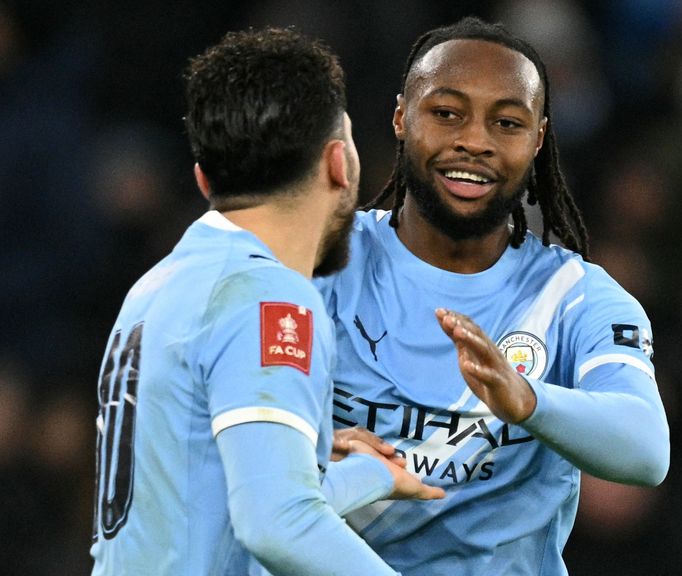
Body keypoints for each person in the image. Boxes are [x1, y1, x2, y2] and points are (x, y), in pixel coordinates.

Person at [314, 16, 670, 575]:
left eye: (506, 123)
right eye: (447, 113)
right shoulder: (320, 260)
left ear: (537, 140)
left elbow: (646, 450)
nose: (475, 142)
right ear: (401, 117)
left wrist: (527, 401)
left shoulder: (574, 299)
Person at [90, 27, 443, 576]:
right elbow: (276, 523)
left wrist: (371, 475)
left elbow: (225, 498)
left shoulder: (158, 288)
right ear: (339, 163)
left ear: (203, 179)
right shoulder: (268, 298)